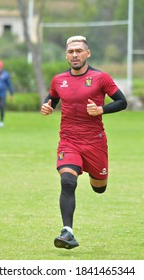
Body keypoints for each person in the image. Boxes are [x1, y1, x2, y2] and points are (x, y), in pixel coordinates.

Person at [41, 35, 127, 250]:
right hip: (69, 140)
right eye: (71, 52)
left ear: (88, 53)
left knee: (99, 188)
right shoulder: (59, 79)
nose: (75, 55)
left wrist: (101, 109)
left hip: (95, 142)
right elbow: (52, 97)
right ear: (66, 56)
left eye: (79, 51)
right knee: (68, 182)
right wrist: (47, 106)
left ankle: (97, 178)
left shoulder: (100, 77)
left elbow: (122, 102)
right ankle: (67, 232)